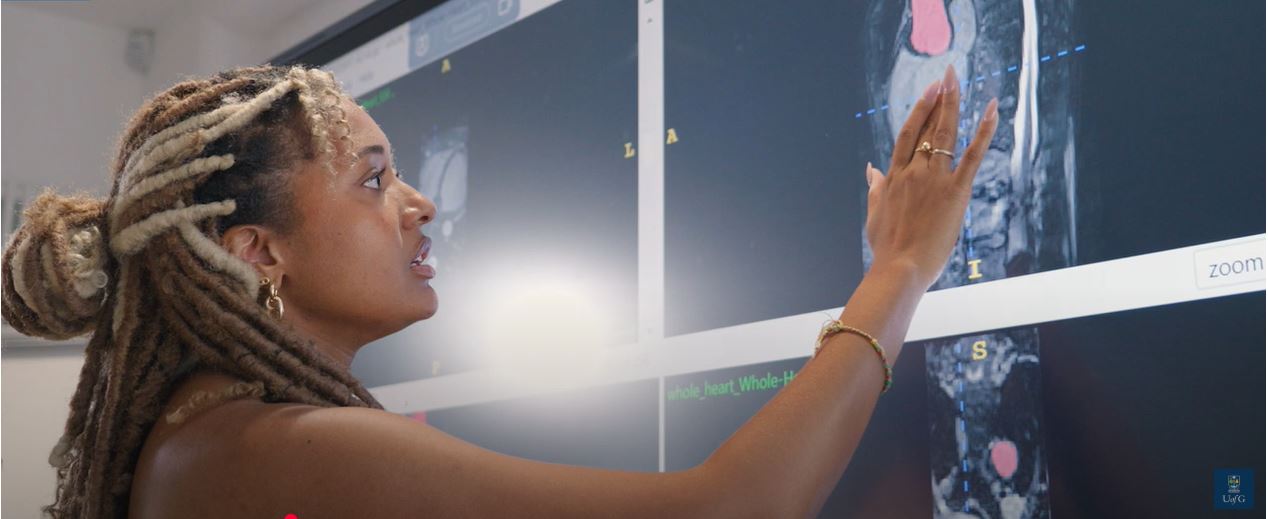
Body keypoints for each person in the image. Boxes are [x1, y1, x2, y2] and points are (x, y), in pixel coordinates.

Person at [0, 62, 996, 518]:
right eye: (374, 178)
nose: (420, 205)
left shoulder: (202, 438)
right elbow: (727, 510)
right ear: (260, 251)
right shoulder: (283, 448)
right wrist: (898, 269)